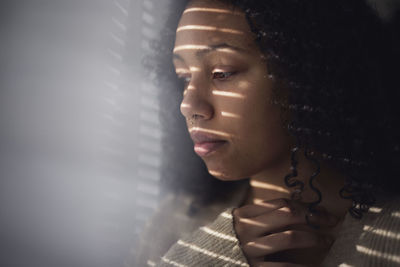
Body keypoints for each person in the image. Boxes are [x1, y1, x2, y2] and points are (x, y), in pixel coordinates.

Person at [132, 0, 400, 266]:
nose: (187, 105)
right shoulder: (174, 220)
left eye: (221, 72)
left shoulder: (389, 240)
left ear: (307, 73)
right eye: (184, 77)